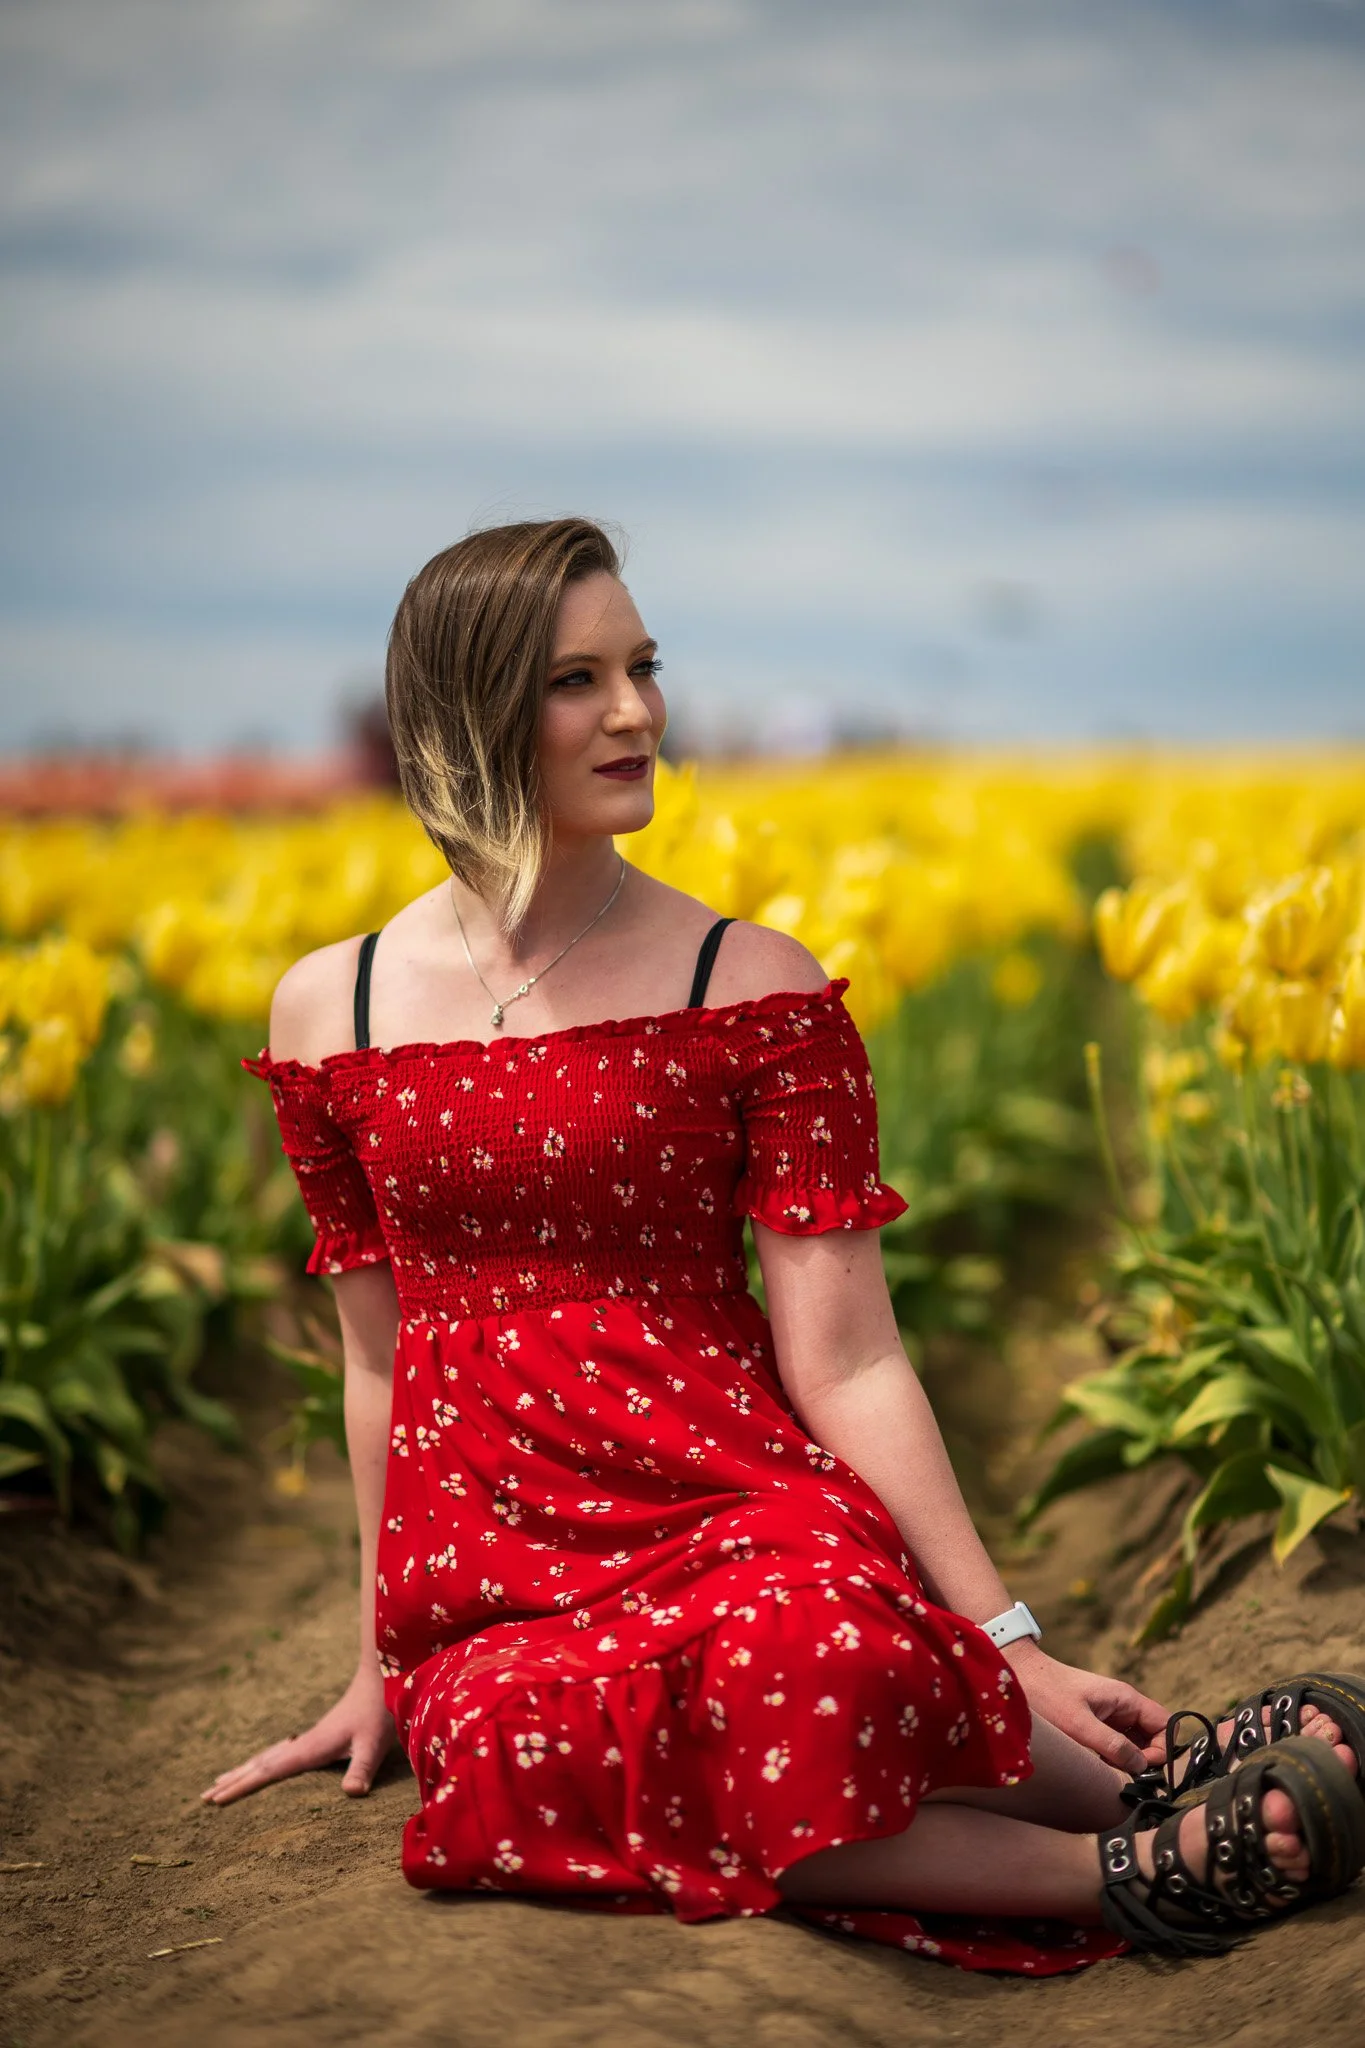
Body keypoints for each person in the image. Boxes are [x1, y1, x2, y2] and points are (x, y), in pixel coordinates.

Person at [205, 518, 1365, 1970]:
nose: (638, 712)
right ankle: (1146, 1853)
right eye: (579, 680)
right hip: (493, 1556)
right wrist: (381, 1658)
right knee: (519, 1763)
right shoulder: (333, 1007)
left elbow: (854, 1351)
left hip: (724, 1499)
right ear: (465, 711)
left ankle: (1169, 1813)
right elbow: (373, 1361)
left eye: (643, 666)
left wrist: (1004, 1628)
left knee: (804, 1658)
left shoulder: (747, 983)